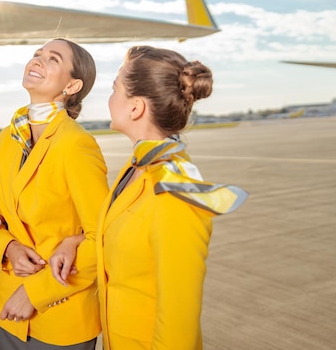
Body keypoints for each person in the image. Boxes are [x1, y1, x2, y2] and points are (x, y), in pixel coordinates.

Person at [50, 46, 248, 350]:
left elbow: (178, 323)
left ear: (135, 108)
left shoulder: (174, 192)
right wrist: (74, 242)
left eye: (115, 88)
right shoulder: (138, 168)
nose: (109, 98)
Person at [0, 38, 109, 350]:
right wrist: (8, 249)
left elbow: (102, 238)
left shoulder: (75, 144)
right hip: (9, 312)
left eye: (53, 59)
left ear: (72, 85)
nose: (37, 61)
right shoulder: (8, 138)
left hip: (60, 314)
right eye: (37, 54)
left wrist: (35, 293)